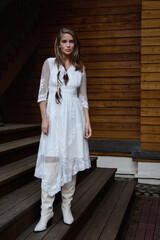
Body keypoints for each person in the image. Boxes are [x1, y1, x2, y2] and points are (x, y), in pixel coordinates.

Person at [34, 28, 92, 232]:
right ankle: (46, 212)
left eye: (71, 42)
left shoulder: (80, 67)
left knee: (70, 160)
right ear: (58, 44)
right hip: (54, 118)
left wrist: (87, 122)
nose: (68, 45)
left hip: (74, 121)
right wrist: (44, 119)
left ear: (75, 45)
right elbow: (42, 94)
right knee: (51, 163)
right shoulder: (49, 64)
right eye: (64, 41)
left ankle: (66, 207)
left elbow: (83, 97)